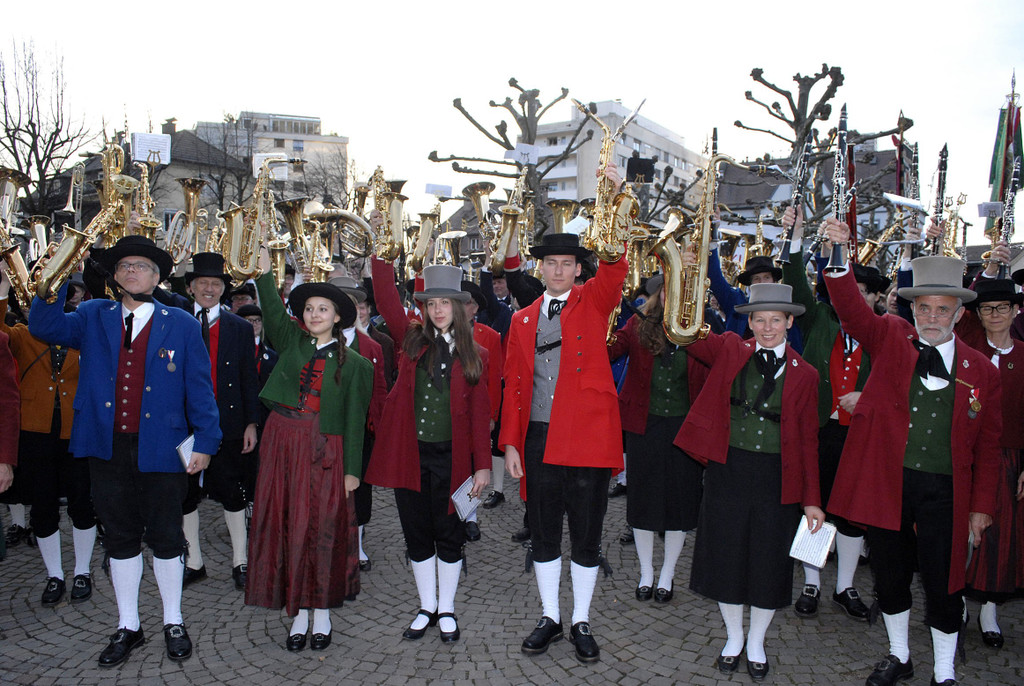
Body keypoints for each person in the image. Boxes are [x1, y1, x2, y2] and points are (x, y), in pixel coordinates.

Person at [821, 216, 1001, 686]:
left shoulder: (982, 370)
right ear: (913, 309)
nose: (932, 317)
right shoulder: (891, 338)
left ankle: (944, 671)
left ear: (959, 314)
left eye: (942, 309)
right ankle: (900, 656)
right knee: (891, 574)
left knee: (944, 581)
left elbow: (989, 446)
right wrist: (839, 253)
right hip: (889, 483)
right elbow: (851, 310)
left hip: (946, 490)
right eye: (924, 308)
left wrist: (982, 508)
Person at [28, 235, 222, 667]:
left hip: (163, 448)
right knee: (119, 537)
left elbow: (200, 388)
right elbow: (43, 326)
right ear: (115, 276)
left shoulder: (182, 323)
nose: (132, 271)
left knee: (167, 536)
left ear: (157, 278)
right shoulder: (92, 314)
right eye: (125, 266)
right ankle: (128, 625)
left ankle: (173, 620)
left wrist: (206, 443)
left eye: (142, 266)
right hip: (105, 446)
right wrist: (56, 276)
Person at [675, 281, 822, 683]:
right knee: (726, 557)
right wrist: (684, 279)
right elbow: (685, 332)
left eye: (775, 320)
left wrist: (812, 500)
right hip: (729, 470)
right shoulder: (729, 350)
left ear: (789, 322)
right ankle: (734, 637)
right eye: (759, 320)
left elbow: (809, 440)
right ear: (749, 322)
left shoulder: (807, 375)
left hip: (777, 477)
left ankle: (756, 641)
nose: (767, 328)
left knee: (768, 564)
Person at [500, 219, 628, 663]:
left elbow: (615, 270)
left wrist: (615, 211)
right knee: (544, 530)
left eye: (566, 264)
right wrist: (511, 444)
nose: (557, 270)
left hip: (588, 437)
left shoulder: (594, 301)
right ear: (540, 268)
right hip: (538, 437)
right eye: (550, 263)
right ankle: (551, 616)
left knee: (587, 533)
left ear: (578, 269)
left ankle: (581, 620)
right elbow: (514, 385)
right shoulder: (521, 319)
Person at [245, 246, 373, 652]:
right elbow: (271, 309)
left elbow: (355, 421)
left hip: (325, 448)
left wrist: (352, 471)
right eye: (310, 309)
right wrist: (264, 273)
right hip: (282, 442)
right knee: (286, 524)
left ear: (337, 317)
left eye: (323, 309)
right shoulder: (291, 341)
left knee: (321, 529)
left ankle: (322, 614)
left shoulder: (357, 365)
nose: (315, 314)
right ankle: (298, 613)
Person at [365, 259, 491, 644]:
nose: (437, 310)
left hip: (454, 459)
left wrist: (483, 467)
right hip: (411, 456)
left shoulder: (477, 354)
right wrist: (383, 255)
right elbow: (386, 301)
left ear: (459, 307)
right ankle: (427, 606)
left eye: (445, 302)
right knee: (416, 533)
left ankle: (447, 608)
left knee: (449, 533)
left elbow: (480, 415)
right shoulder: (411, 340)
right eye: (431, 303)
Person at [779, 206, 881, 621]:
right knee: (815, 505)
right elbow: (794, 282)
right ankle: (812, 583)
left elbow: (895, 383)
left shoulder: (881, 330)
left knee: (853, 514)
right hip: (820, 430)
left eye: (862, 291)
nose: (854, 296)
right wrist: (797, 236)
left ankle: (845, 586)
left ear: (872, 298)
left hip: (861, 435)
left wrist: (866, 398)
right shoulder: (818, 317)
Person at [154, 252, 261, 591]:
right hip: (183, 425)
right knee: (185, 495)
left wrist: (250, 423)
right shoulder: (175, 321)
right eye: (203, 283)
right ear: (191, 287)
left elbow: (248, 378)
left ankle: (240, 561)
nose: (209, 289)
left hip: (226, 423)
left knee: (232, 492)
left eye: (216, 284)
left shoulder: (239, 327)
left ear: (223, 289)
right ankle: (194, 562)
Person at [0, 267, 96, 605]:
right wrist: (2, 290)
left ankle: (82, 571)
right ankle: (55, 575)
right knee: (42, 507)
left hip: (75, 432)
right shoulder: (21, 335)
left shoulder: (80, 332)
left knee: (82, 504)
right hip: (35, 433)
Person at [608, 273, 706, 604]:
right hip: (644, 426)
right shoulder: (638, 325)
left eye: (679, 291)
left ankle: (668, 574)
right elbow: (611, 349)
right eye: (667, 291)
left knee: (679, 503)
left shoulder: (699, 330)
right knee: (643, 502)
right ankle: (646, 572)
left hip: (684, 429)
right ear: (659, 295)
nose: (672, 297)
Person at [954, 278, 1024, 650]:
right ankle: (959, 605)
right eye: (987, 308)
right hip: (965, 453)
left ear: (1015, 311)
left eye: (1002, 308)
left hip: (1009, 458)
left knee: (999, 538)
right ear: (978, 314)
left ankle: (989, 612)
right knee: (960, 528)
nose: (995, 314)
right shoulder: (967, 349)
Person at [329, 274, 388, 573]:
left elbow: (380, 393)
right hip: (325, 432)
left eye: (353, 304)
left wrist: (380, 432)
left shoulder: (372, 347)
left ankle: (357, 543)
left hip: (362, 434)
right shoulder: (317, 342)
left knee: (360, 490)